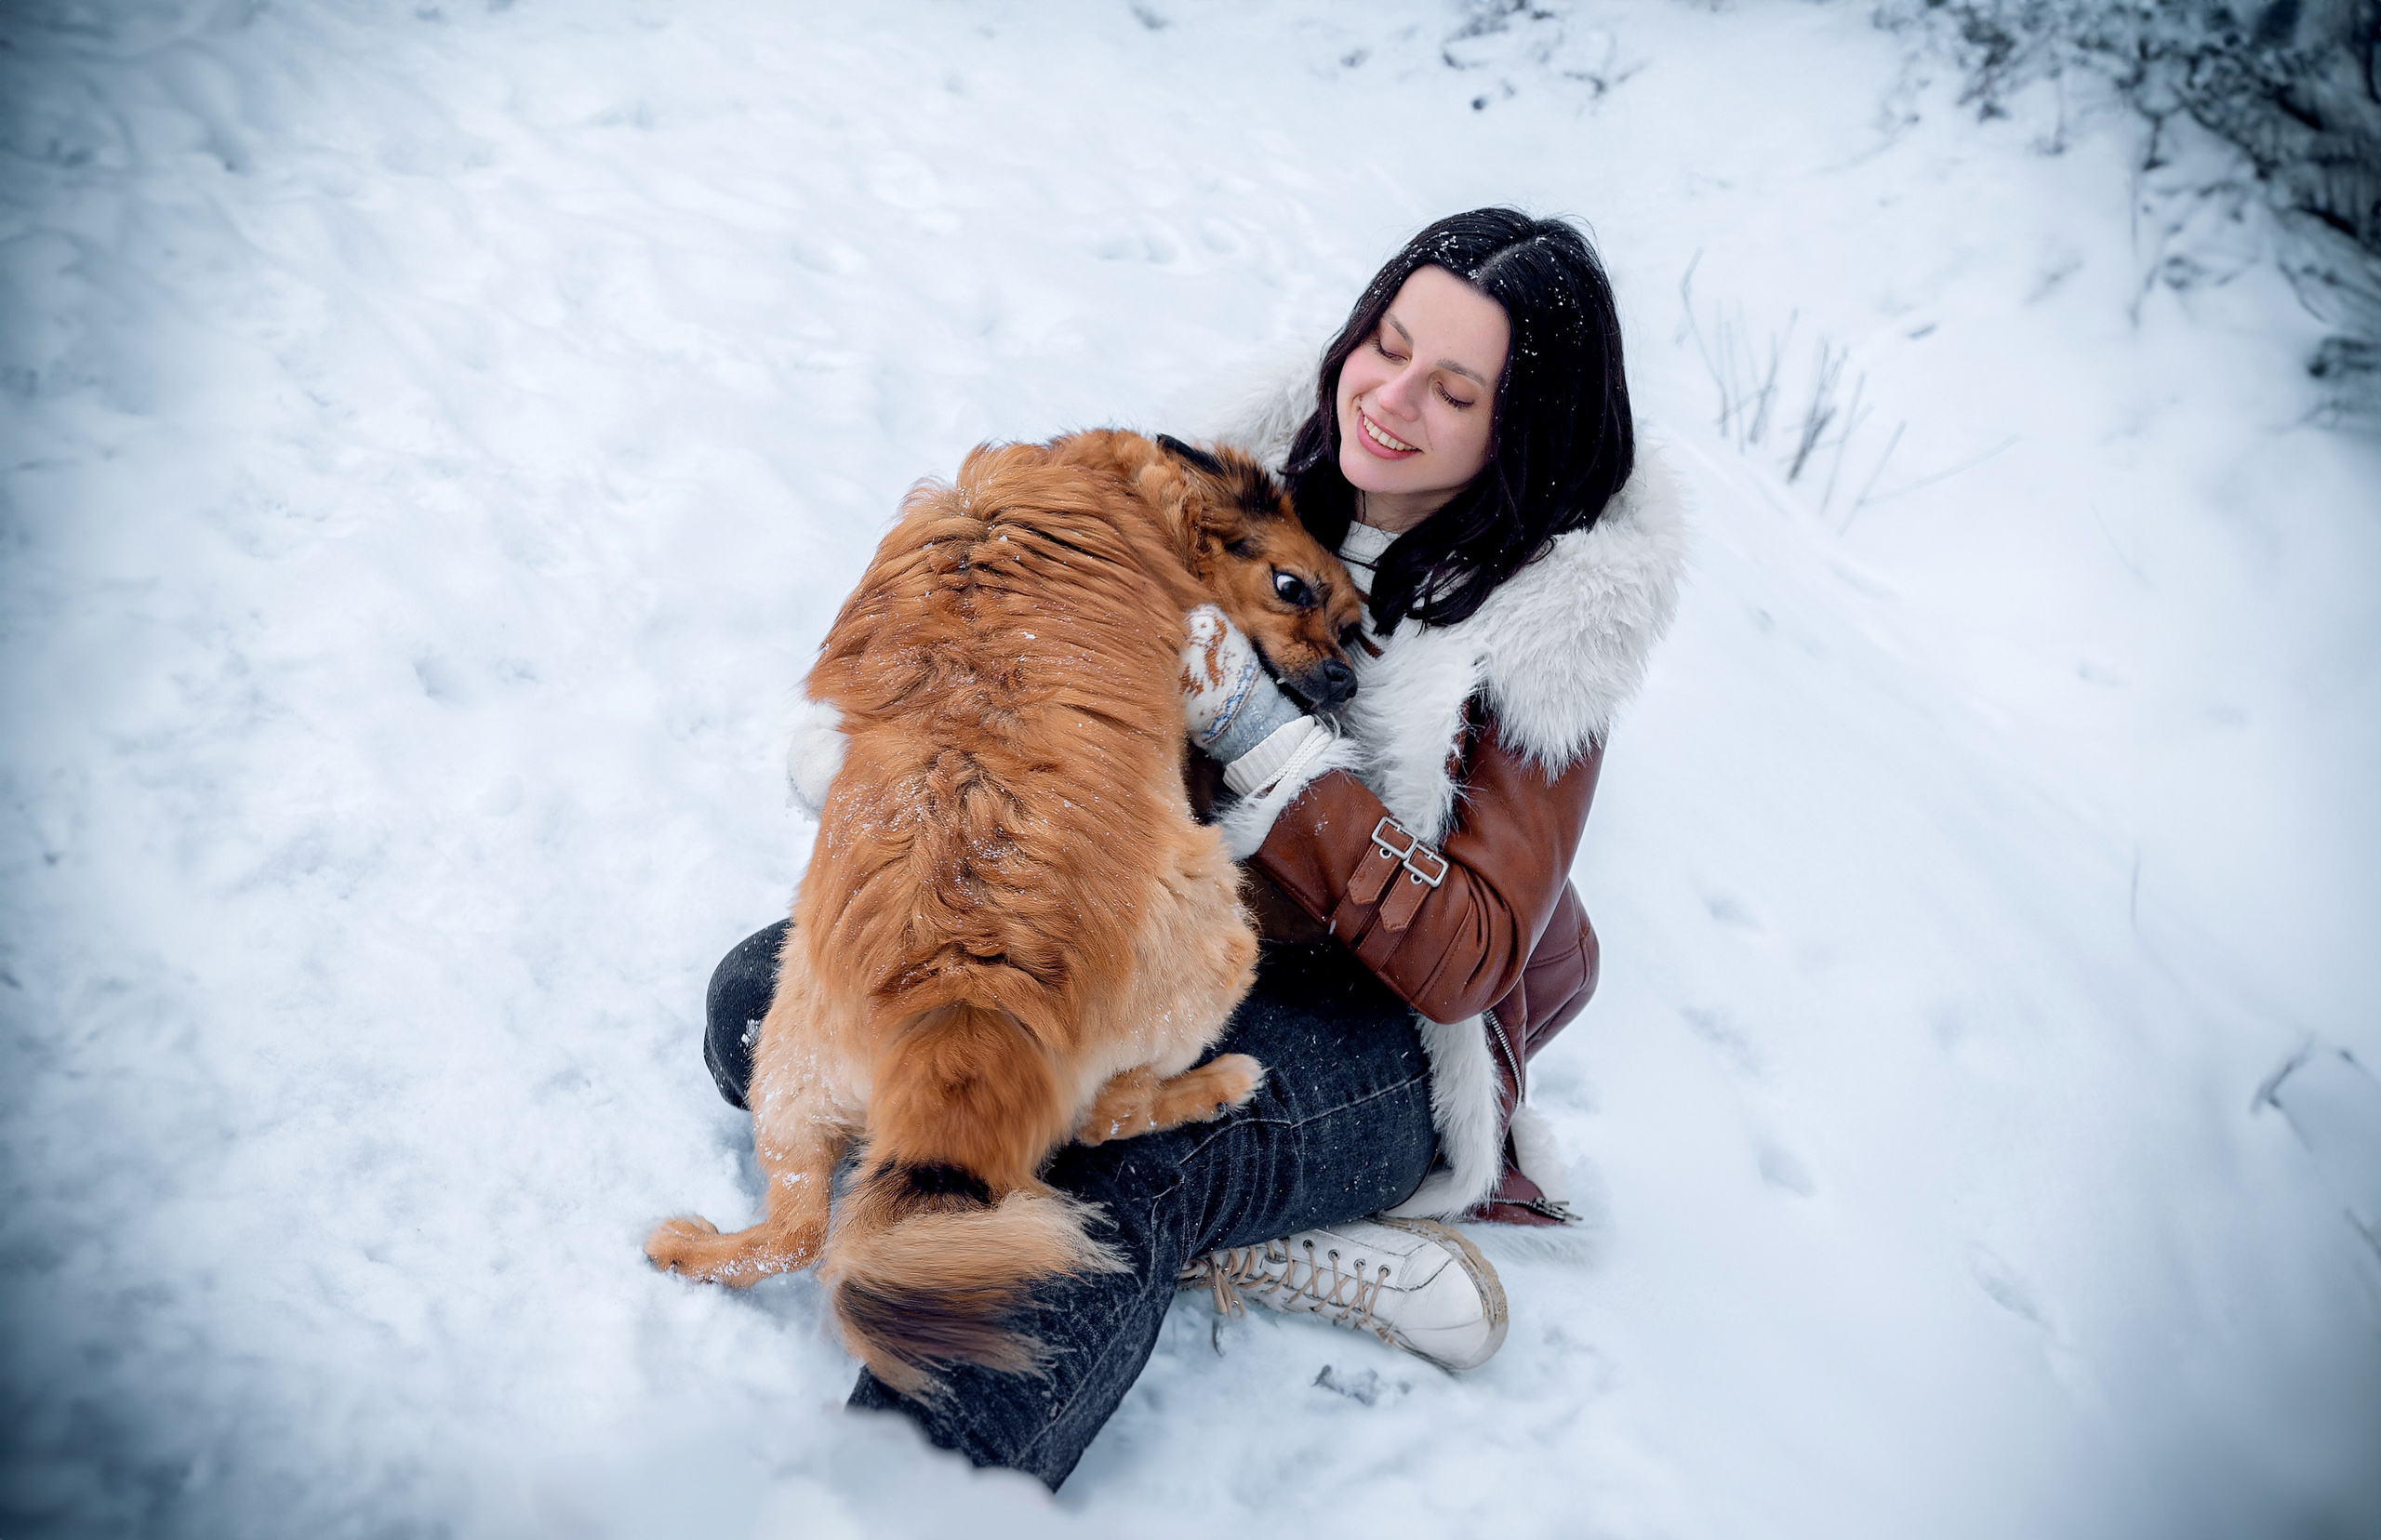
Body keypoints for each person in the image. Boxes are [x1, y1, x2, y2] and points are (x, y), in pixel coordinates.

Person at [698, 207, 1685, 1488]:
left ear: (1523, 431)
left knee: (1122, 1156)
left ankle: (900, 1503)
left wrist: (1263, 737)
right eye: (1383, 345)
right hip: (1160, 932)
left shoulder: (1559, 617)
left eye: (1455, 390)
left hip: (1379, 1033)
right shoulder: (1241, 467)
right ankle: (1250, 1231)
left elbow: (1467, 963)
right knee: (766, 1009)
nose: (1389, 399)